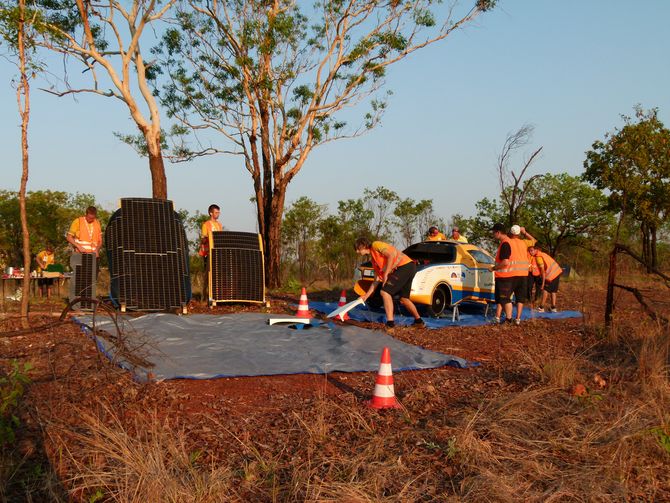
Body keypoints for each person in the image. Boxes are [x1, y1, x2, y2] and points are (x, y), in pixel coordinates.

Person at [354, 237, 425, 330]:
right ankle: (419, 322)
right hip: (409, 267)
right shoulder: (374, 260)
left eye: (357, 249)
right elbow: (376, 281)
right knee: (404, 298)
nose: (357, 252)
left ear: (362, 246)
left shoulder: (376, 245)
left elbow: (391, 255)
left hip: (405, 266)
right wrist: (366, 296)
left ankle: (390, 324)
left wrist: (386, 273)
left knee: (384, 292)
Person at [489, 223, 535, 325]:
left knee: (505, 298)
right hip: (523, 274)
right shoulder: (524, 243)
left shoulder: (507, 243)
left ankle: (507, 319)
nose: (493, 235)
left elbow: (505, 262)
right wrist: (525, 232)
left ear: (498, 232)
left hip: (508, 275)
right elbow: (534, 241)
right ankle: (517, 319)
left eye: (493, 232)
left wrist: (493, 268)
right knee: (519, 298)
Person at [528, 244, 562, 312]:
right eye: (529, 251)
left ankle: (541, 307)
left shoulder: (538, 257)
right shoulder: (542, 254)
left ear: (536, 250)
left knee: (545, 290)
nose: (530, 252)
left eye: (532, 250)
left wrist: (543, 283)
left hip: (551, 275)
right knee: (553, 291)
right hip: (557, 271)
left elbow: (543, 271)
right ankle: (553, 308)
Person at [200, 204, 223, 303]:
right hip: (208, 252)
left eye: (219, 212)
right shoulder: (206, 225)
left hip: (217, 253)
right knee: (207, 275)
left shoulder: (219, 225)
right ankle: (204, 297)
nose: (218, 214)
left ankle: (215, 295)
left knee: (217, 275)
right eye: (216, 212)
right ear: (211, 213)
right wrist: (210, 237)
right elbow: (203, 239)